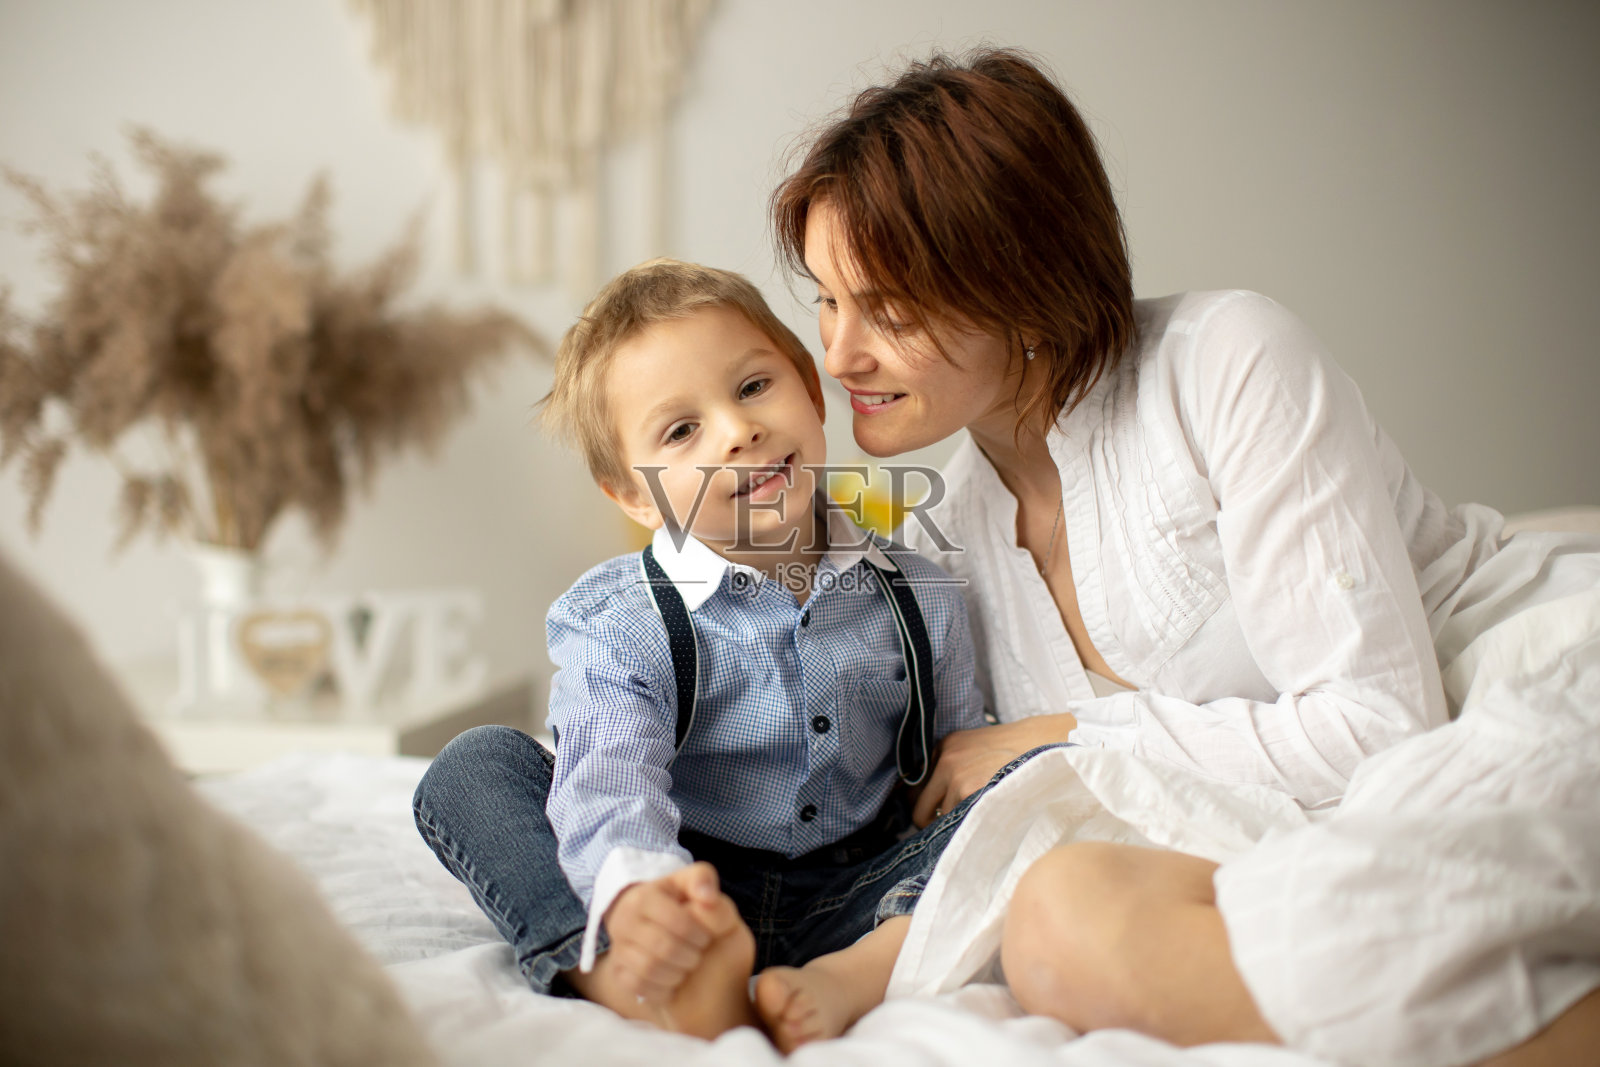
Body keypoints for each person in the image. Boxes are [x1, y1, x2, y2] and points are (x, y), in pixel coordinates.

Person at [766, 47, 1600, 1062]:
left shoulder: (1226, 359)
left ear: (1020, 285)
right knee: (1060, 921)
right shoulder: (949, 537)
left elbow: (1377, 727)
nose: (839, 354)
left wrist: (1062, 732)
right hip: (1310, 815)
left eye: (887, 310)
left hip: (1503, 696)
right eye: (825, 299)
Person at [410, 259, 1003, 1050]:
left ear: (809, 385)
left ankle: (857, 972)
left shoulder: (923, 595)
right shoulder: (620, 621)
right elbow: (610, 782)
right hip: (693, 887)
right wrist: (646, 898)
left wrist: (988, 800)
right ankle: (624, 967)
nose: (737, 430)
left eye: (755, 387)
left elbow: (956, 785)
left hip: (862, 894)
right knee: (473, 768)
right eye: (682, 430)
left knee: (1029, 788)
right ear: (630, 490)